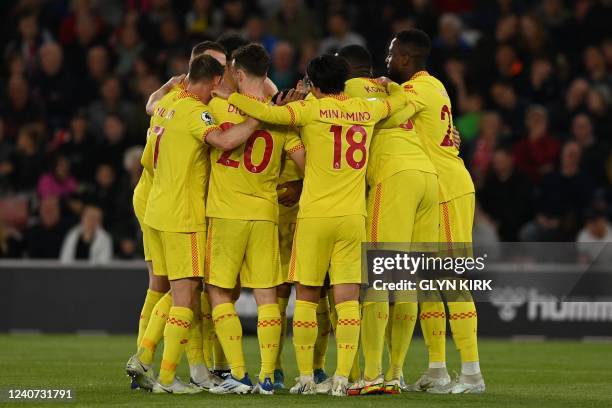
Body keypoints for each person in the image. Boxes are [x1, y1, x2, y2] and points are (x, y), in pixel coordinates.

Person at [227, 54, 407, 396]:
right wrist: (390, 85)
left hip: (314, 217)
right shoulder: (366, 110)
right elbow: (400, 102)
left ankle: (307, 378)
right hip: (353, 217)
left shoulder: (310, 109)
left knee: (307, 297)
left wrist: (230, 95)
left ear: (316, 84)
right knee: (348, 299)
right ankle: (342, 378)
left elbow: (266, 112)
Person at [128, 54, 260, 395]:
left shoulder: (168, 102)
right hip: (181, 215)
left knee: (169, 292)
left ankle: (143, 357)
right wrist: (259, 118)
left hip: (156, 208)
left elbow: (151, 102)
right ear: (215, 82)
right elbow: (225, 141)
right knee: (185, 298)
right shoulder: (195, 113)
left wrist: (166, 85)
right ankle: (168, 380)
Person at [386, 29, 484, 394]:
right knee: (427, 286)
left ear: (406, 59)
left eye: (391, 54)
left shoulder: (417, 90)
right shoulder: (432, 87)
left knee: (453, 284)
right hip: (433, 191)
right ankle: (438, 369)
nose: (388, 60)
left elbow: (387, 114)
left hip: (447, 190)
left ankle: (472, 374)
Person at [337, 44, 439, 395]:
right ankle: (395, 373)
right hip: (428, 177)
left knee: (379, 277)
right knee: (406, 277)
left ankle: (372, 375)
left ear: (344, 70)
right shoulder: (390, 88)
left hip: (394, 177)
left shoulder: (344, 91)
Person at [205, 44, 305, 395]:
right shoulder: (281, 118)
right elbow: (305, 161)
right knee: (267, 298)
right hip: (266, 214)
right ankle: (267, 376)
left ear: (239, 73)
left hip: (226, 213)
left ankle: (238, 374)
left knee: (218, 291)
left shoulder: (217, 106)